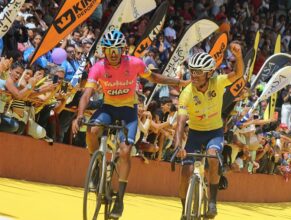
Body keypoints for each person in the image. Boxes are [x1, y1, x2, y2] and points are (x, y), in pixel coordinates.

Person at [71, 30, 189, 219]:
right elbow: (87, 94)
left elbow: (156, 79)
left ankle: (120, 199)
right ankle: (96, 168)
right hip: (108, 108)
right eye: (109, 50)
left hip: (128, 111)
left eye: (116, 49)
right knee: (92, 129)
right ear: (104, 51)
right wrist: (79, 115)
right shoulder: (98, 67)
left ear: (123, 49)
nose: (113, 54)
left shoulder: (135, 63)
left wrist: (181, 82)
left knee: (125, 151)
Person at [174, 42, 243, 219]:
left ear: (209, 73)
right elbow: (181, 122)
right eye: (192, 71)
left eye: (198, 72)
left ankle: (212, 201)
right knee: (185, 172)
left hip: (214, 132)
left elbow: (238, 74)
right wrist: (177, 146)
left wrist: (239, 57)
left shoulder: (218, 82)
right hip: (195, 134)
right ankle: (184, 210)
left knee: (212, 157)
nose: (194, 75)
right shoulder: (187, 92)